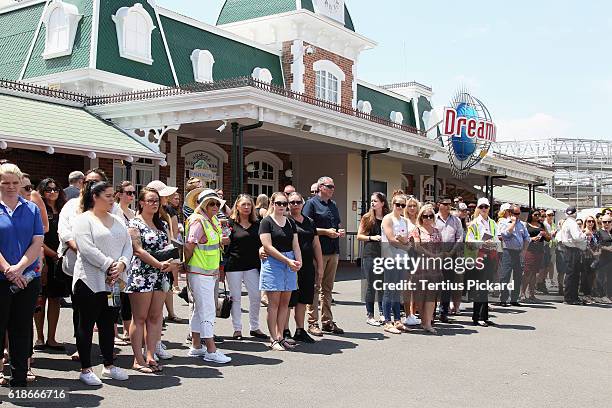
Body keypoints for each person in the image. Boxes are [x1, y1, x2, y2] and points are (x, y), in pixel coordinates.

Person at [72, 180, 132, 385]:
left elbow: (128, 245)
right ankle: (86, 368)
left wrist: (122, 264)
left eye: (112, 195)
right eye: (107, 195)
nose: (111, 199)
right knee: (86, 324)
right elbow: (86, 248)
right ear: (94, 197)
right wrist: (109, 264)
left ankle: (109, 365)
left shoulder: (117, 220)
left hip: (113, 283)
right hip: (89, 281)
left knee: (109, 324)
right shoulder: (83, 220)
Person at [0, 163, 44, 387]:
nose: (10, 187)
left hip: (27, 279)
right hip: (1, 278)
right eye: (5, 182)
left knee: (20, 328)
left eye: (14, 183)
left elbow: (37, 242)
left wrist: (19, 268)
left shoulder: (31, 208)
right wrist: (8, 268)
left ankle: (18, 379)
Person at [127, 187, 179, 372]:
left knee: (156, 317)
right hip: (141, 274)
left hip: (161, 274)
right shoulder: (134, 224)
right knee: (139, 317)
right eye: (150, 200)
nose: (154, 203)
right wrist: (159, 264)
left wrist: (172, 264)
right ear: (141, 203)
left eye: (156, 200)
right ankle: (137, 359)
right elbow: (138, 250)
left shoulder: (162, 224)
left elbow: (170, 247)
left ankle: (150, 355)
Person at [57, 168, 107, 361]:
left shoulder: (111, 205)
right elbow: (65, 232)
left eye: (96, 182)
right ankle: (81, 346)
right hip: (78, 266)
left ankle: (107, 348)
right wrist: (85, 252)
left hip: (105, 268)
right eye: (88, 182)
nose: (91, 186)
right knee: (80, 310)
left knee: (106, 311)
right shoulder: (71, 205)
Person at [184, 189, 231, 363]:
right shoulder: (198, 220)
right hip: (200, 271)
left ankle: (196, 346)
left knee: (199, 309)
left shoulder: (211, 220)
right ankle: (211, 350)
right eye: (211, 203)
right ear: (202, 204)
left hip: (207, 271)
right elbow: (189, 245)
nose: (215, 206)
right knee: (207, 310)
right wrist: (186, 264)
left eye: (218, 203)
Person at [259, 192, 302, 350]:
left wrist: (299, 261)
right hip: (273, 263)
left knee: (285, 303)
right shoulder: (266, 222)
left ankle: (281, 336)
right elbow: (267, 247)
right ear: (272, 203)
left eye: (285, 203)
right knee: (274, 303)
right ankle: (273, 339)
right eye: (279, 203)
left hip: (290, 262)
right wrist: (287, 261)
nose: (282, 206)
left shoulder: (290, 222)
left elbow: (295, 244)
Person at [303, 176, 344, 336]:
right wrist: (326, 232)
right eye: (330, 186)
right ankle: (312, 322)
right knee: (315, 287)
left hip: (333, 251)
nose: (333, 189)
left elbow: (337, 224)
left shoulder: (333, 205)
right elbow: (307, 227)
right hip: (317, 252)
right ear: (321, 187)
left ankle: (327, 321)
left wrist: (339, 231)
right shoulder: (311, 204)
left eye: (333, 186)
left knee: (328, 288)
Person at [224, 194, 266, 340]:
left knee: (255, 296)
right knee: (235, 298)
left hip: (252, 265)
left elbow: (263, 242)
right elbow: (225, 241)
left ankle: (254, 327)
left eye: (249, 205)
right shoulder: (230, 223)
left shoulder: (257, 224)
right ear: (237, 207)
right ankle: (237, 329)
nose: (247, 207)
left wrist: (262, 250)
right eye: (244, 205)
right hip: (234, 264)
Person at [34, 178, 69, 352]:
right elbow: (37, 237)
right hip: (43, 257)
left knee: (55, 298)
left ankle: (51, 338)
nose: (52, 192)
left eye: (55, 189)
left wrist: (59, 255)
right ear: (41, 191)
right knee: (41, 298)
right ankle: (39, 338)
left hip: (60, 258)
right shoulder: (39, 209)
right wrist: (52, 254)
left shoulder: (63, 209)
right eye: (48, 189)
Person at [286, 192, 323, 343]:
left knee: (303, 299)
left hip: (307, 266)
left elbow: (316, 244)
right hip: (290, 266)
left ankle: (300, 330)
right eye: (292, 202)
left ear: (302, 203)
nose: (295, 204)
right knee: (289, 301)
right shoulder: (286, 221)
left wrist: (320, 266)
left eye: (298, 202)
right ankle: (285, 330)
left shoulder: (309, 221)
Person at [146, 180, 181, 319]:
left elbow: (171, 237)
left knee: (166, 285)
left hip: (165, 259)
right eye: (165, 195)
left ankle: (169, 314)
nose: (167, 198)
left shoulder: (165, 213)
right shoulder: (145, 216)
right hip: (151, 262)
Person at [465, 198, 498, 326]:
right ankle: (477, 317)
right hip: (479, 257)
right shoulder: (474, 224)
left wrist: (493, 243)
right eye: (482, 207)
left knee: (486, 288)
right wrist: (483, 243)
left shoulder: (492, 223)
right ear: (478, 208)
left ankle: (484, 316)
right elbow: (469, 241)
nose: (484, 209)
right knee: (479, 287)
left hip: (490, 257)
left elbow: (497, 238)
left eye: (486, 206)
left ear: (489, 208)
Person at [357, 192, 389, 326]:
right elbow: (359, 236)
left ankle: (382, 312)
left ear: (382, 203)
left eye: (375, 201)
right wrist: (371, 237)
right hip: (370, 254)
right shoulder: (367, 217)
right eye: (371, 201)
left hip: (385, 254)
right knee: (371, 285)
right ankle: (370, 315)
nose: (372, 203)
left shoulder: (388, 218)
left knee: (381, 285)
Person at [380, 194, 410, 334]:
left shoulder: (404, 220)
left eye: (403, 205)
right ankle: (387, 321)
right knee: (389, 290)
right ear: (393, 204)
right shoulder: (388, 219)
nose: (400, 207)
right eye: (398, 204)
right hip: (390, 258)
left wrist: (404, 243)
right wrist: (404, 244)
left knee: (398, 290)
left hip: (402, 259)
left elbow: (407, 240)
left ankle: (397, 320)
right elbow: (392, 239)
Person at [412, 204, 443, 334]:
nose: (428, 218)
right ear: (421, 217)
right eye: (425, 216)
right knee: (421, 296)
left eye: (431, 216)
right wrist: (432, 255)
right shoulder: (416, 230)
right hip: (421, 266)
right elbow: (417, 247)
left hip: (435, 267)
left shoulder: (437, 231)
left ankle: (428, 323)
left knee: (431, 296)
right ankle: (423, 321)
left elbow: (441, 247)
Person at [435, 197, 464, 323]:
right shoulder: (433, 219)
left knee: (447, 285)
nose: (447, 206)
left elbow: (460, 237)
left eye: (449, 204)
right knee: (434, 284)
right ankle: (431, 312)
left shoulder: (456, 220)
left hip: (451, 255)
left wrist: (452, 252)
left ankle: (443, 312)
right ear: (439, 204)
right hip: (435, 255)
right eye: (445, 204)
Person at [498, 204, 530, 306]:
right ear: (510, 213)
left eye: (518, 213)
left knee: (518, 276)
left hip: (518, 252)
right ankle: (503, 298)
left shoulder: (522, 224)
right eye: (515, 213)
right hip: (508, 251)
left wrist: (524, 250)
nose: (517, 215)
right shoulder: (503, 222)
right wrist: (512, 223)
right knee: (505, 276)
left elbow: (527, 238)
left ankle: (514, 299)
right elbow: (506, 235)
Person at [559, 207, 587, 305]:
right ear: (575, 213)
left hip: (568, 249)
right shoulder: (573, 223)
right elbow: (577, 237)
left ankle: (572, 297)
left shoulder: (566, 222)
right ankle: (570, 298)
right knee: (573, 274)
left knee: (572, 273)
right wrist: (584, 235)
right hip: (573, 249)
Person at [520, 210, 550, 301]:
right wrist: (532, 238)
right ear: (531, 215)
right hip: (529, 250)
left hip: (539, 251)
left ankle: (531, 294)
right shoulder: (526, 225)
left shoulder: (541, 225)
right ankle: (522, 293)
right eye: (535, 215)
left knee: (534, 273)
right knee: (527, 272)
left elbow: (548, 239)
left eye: (539, 215)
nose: (537, 216)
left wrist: (545, 234)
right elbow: (522, 237)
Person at [581, 215, 599, 300]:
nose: (591, 223)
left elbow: (599, 243)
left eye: (592, 221)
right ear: (585, 222)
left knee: (592, 276)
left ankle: (589, 294)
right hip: (585, 256)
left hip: (595, 257)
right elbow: (586, 245)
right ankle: (586, 294)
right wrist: (593, 252)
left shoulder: (596, 232)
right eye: (589, 221)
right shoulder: (584, 232)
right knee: (586, 275)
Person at [594, 214, 612, 300]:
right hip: (603, 258)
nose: (607, 223)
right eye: (605, 222)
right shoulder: (599, 232)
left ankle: (610, 295)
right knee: (601, 278)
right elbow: (596, 244)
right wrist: (607, 248)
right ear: (602, 222)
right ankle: (601, 295)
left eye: (609, 222)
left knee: (610, 278)